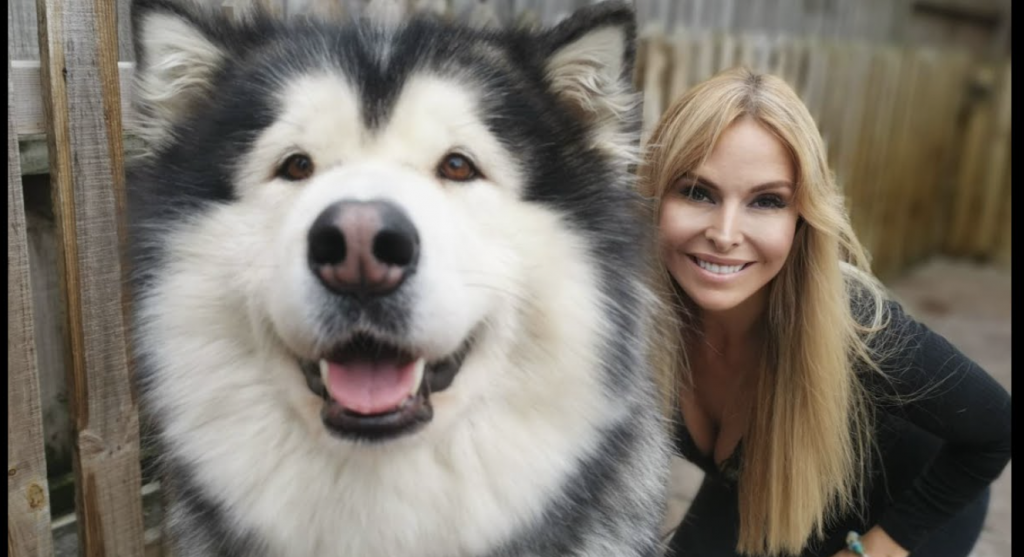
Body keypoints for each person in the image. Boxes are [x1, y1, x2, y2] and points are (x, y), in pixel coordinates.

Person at [638, 66, 1012, 557]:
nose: (725, 233)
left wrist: (876, 551)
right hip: (769, 484)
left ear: (802, 219)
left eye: (766, 201)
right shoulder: (634, 317)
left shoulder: (859, 328)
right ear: (654, 196)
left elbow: (995, 429)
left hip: (912, 505)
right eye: (697, 192)